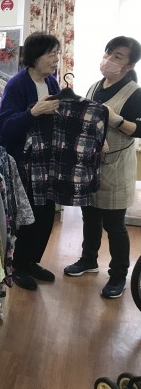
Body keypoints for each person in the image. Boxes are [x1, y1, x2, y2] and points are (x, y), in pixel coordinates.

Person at [64, 36, 141, 299]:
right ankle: (88, 260)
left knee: (114, 225)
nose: (109, 59)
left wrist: (116, 119)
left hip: (116, 167)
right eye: (108, 53)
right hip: (91, 164)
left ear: (129, 64)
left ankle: (118, 275)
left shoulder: (134, 92)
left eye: (117, 56)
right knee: (90, 216)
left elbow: (138, 130)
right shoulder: (95, 86)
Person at [0, 32, 61, 291]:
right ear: (35, 57)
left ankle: (32, 261)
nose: (56, 59)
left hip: (46, 161)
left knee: (46, 213)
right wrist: (33, 112)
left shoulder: (52, 82)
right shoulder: (17, 85)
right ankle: (18, 266)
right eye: (51, 54)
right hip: (22, 162)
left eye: (57, 54)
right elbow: (5, 127)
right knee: (26, 214)